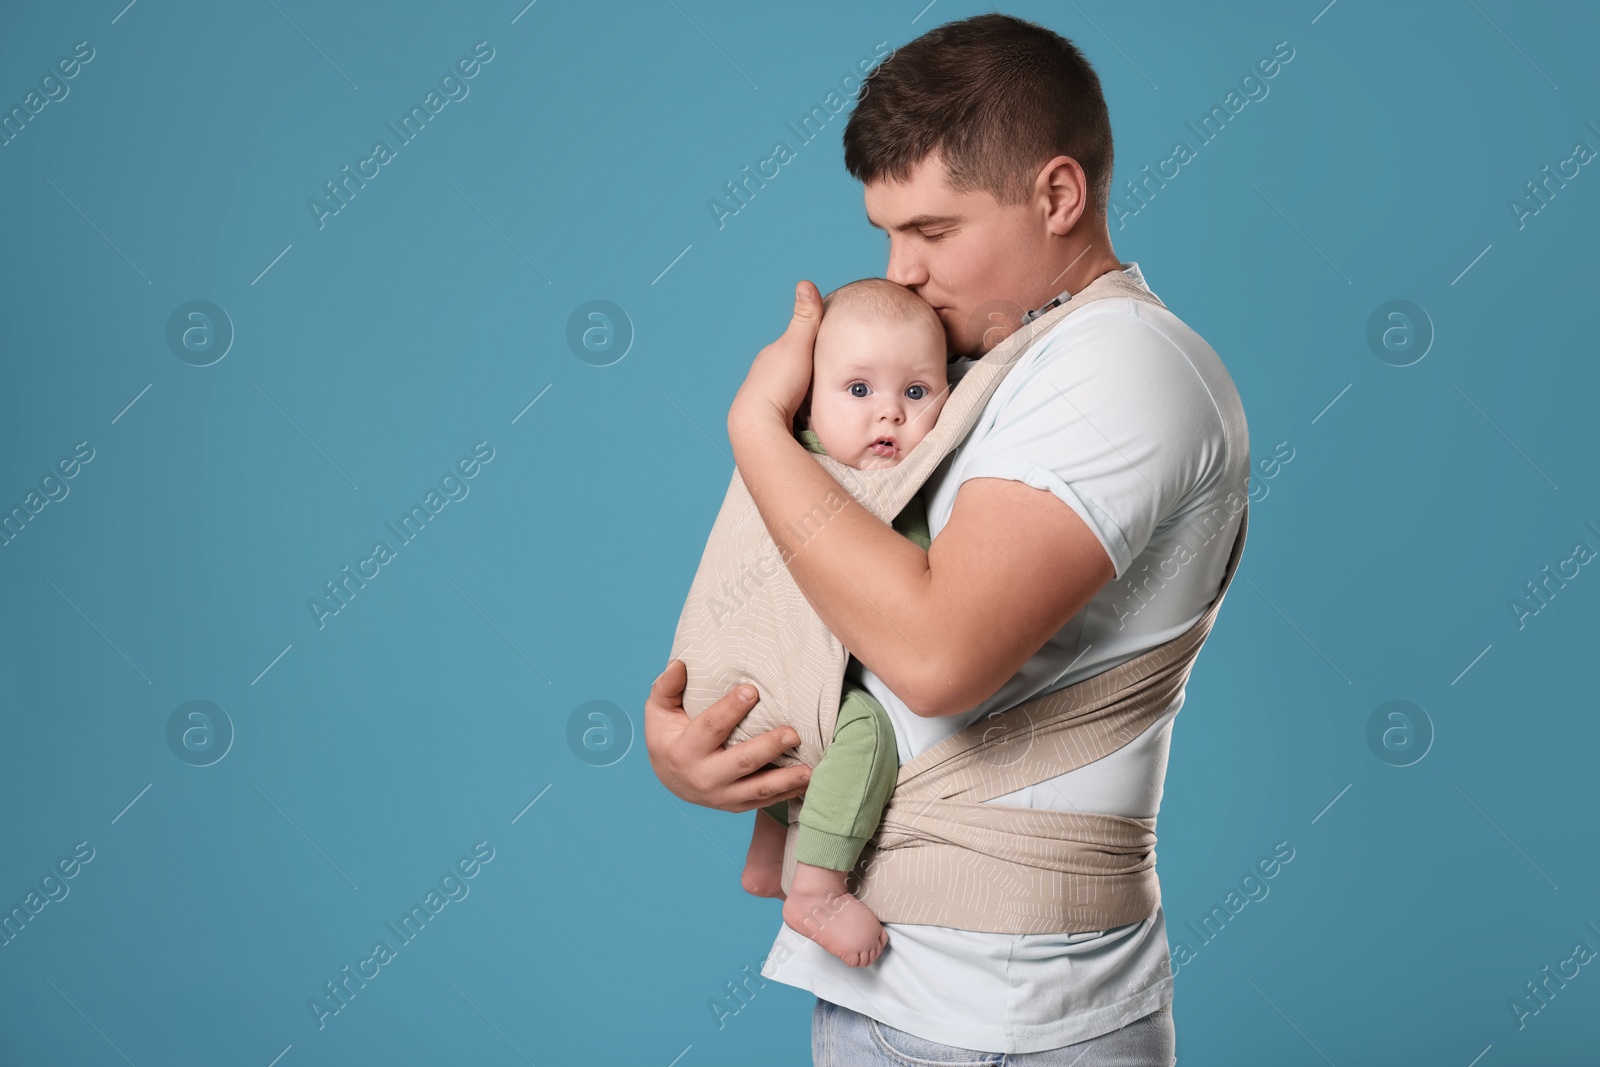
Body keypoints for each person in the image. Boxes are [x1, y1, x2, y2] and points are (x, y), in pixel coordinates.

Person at [646, 11, 1248, 1063]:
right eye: (885, 234)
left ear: (1057, 195)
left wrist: (755, 429)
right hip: (887, 981)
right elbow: (857, 645)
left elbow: (931, 657)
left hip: (1016, 1014)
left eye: (930, 232)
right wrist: (722, 754)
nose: (901, 270)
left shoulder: (1120, 365)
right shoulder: (988, 378)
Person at [736, 278, 951, 969]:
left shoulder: (791, 454)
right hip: (777, 659)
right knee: (862, 733)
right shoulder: (824, 469)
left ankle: (769, 852)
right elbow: (915, 586)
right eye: (858, 391)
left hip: (764, 675)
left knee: (798, 737)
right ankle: (818, 890)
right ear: (808, 401)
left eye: (915, 394)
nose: (888, 415)